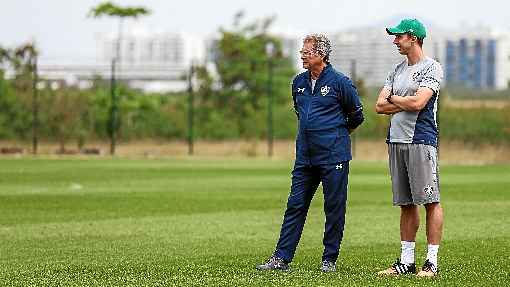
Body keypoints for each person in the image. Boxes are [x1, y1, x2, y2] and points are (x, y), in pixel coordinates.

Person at [256, 34, 364, 272]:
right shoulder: (298, 83)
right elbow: (300, 113)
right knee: (295, 205)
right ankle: (281, 258)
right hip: (305, 157)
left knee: (333, 208)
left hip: (334, 156)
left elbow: (357, 115)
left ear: (322, 54)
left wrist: (335, 134)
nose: (302, 55)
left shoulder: (340, 82)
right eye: (302, 52)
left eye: (307, 52)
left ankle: (329, 259)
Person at [375, 19, 444, 277]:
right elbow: (379, 106)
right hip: (396, 141)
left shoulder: (431, 68)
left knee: (430, 200)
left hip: (421, 141)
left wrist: (394, 98)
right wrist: (401, 100)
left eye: (398, 36)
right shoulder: (397, 70)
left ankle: (431, 262)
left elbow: (419, 103)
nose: (395, 41)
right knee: (406, 203)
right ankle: (406, 261)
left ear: (413, 38)